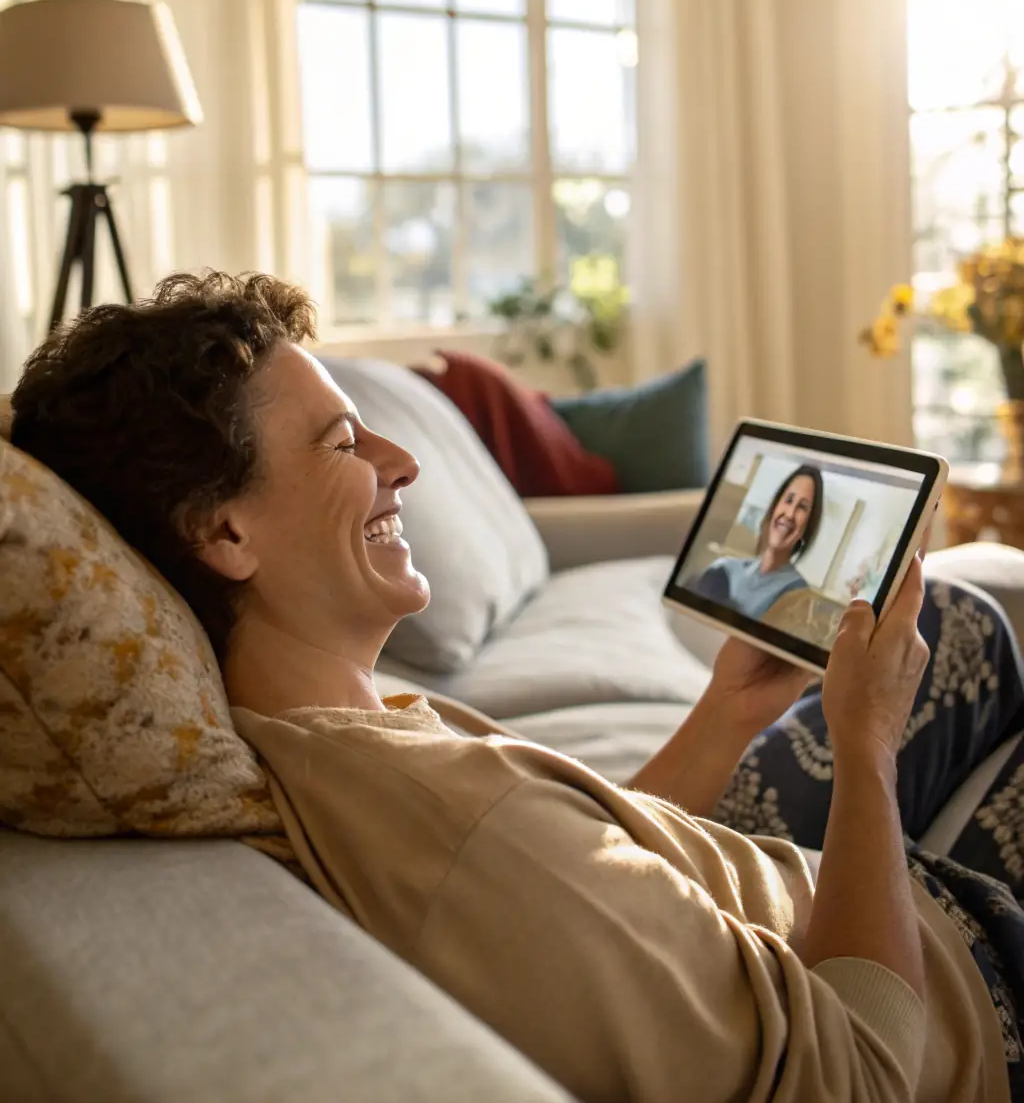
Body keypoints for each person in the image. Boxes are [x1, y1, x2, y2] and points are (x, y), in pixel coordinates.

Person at [10, 271, 1024, 1103]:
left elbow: (586, 871)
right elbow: (860, 1079)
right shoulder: (444, 815)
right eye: (344, 444)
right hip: (966, 989)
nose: (403, 462)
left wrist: (727, 710)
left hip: (812, 901)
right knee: (967, 624)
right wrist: (865, 747)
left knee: (957, 620)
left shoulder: (329, 735)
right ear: (224, 531)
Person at [689, 464, 824, 618]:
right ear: (775, 506)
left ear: (808, 525)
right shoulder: (725, 568)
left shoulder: (797, 595)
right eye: (788, 500)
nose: (790, 514)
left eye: (802, 507)